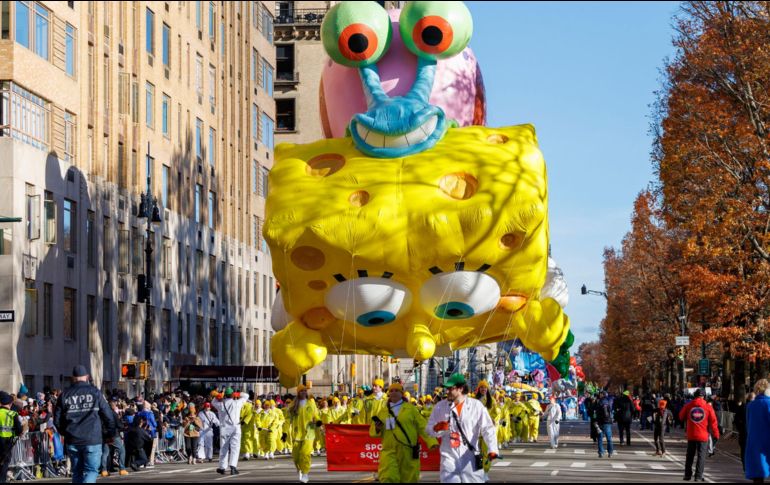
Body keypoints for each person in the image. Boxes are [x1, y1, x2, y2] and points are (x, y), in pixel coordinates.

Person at [427, 373, 498, 483]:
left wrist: (492, 449)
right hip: (448, 456)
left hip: (470, 457)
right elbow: (429, 429)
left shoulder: (476, 406)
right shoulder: (440, 406)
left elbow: (487, 428)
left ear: (461, 388)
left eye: (451, 388)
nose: (447, 391)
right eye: (447, 388)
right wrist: (436, 428)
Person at [53, 365, 116, 484]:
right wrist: (110, 434)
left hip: (73, 439)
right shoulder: (95, 393)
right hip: (92, 439)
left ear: (72, 378)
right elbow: (108, 416)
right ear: (87, 377)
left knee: (77, 472)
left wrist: (65, 433)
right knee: (91, 471)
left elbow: (57, 419)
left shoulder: (65, 395)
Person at [370, 383, 437, 483]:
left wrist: (432, 441)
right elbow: (373, 432)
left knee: (408, 479)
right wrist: (377, 428)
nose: (394, 393)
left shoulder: (411, 409)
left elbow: (423, 426)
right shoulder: (383, 411)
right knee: (388, 477)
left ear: (402, 394)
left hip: (408, 451)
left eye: (396, 391)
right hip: (389, 451)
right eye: (391, 391)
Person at [679, 389, 719, 482]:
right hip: (703, 435)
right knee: (701, 456)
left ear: (694, 396)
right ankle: (698, 476)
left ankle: (687, 475)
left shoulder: (688, 405)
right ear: (704, 396)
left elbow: (681, 416)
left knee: (690, 455)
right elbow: (713, 422)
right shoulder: (708, 407)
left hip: (691, 434)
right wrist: (716, 434)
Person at [212, 388, 250, 475]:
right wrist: (237, 393)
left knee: (224, 448)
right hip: (236, 427)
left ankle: (222, 467)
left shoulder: (220, 404)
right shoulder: (238, 402)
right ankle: (233, 467)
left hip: (225, 428)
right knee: (235, 448)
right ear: (232, 395)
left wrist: (219, 395)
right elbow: (246, 396)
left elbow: (213, 402)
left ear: (225, 395)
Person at [288, 385, 321, 484]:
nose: (303, 392)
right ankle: (301, 470)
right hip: (297, 433)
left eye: (305, 391)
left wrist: (318, 421)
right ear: (298, 392)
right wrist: (285, 433)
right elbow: (288, 419)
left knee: (305, 454)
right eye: (301, 391)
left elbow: (316, 415)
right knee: (296, 456)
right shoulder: (293, 405)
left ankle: (305, 473)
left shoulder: (311, 403)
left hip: (308, 433)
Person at [745, 379, 770, 483]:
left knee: (758, 475)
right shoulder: (768, 403)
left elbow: (748, 424)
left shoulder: (750, 406)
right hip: (767, 442)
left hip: (754, 442)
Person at [0, 391, 22, 484]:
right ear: (9, 403)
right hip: (7, 442)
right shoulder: (13, 414)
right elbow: (19, 429)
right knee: (4, 463)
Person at [596, 391, 614, 458]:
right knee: (609, 438)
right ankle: (610, 452)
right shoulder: (609, 401)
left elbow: (602, 412)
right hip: (607, 422)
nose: (599, 395)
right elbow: (610, 411)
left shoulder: (601, 402)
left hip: (602, 421)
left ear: (602, 395)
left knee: (600, 437)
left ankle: (601, 452)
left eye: (600, 394)